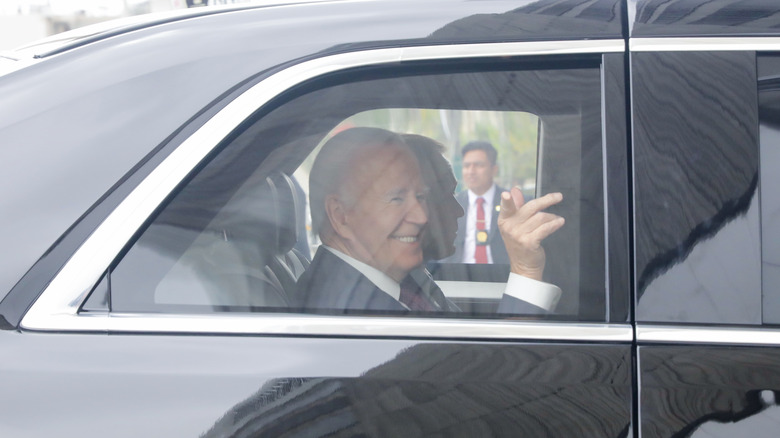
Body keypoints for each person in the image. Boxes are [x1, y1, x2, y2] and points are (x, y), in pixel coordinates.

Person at [292, 127, 564, 314]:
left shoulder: (399, 278)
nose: (423, 215)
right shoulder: (346, 310)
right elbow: (483, 388)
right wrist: (525, 271)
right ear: (341, 216)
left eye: (422, 196)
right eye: (397, 198)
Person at [447, 141, 509, 264]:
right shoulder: (452, 205)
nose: (471, 171)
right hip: (460, 276)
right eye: (466, 166)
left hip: (501, 277)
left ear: (494, 169)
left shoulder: (509, 202)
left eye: (478, 165)